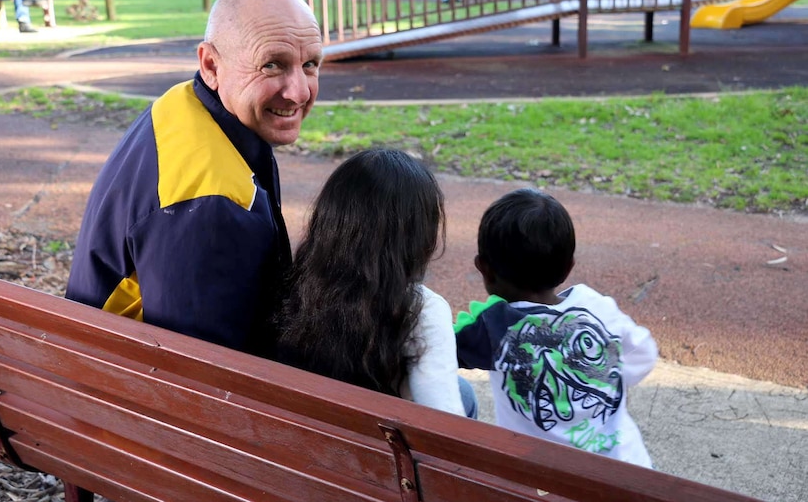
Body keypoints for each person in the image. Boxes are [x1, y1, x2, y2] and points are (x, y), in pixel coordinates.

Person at [65, 0, 323, 359]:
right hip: (121, 397)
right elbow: (201, 381)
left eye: (310, 64)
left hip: (98, 369)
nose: (298, 91)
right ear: (210, 64)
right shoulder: (210, 205)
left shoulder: (184, 106)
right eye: (272, 65)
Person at [454, 188, 658, 466]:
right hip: (629, 470)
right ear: (569, 268)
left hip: (541, 482)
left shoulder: (493, 328)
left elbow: (436, 345)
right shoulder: (596, 305)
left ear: (483, 269)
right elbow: (644, 353)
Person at [277, 149, 477, 418]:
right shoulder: (423, 310)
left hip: (303, 439)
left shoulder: (296, 282)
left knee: (463, 389)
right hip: (378, 454)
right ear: (418, 235)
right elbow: (446, 423)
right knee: (465, 397)